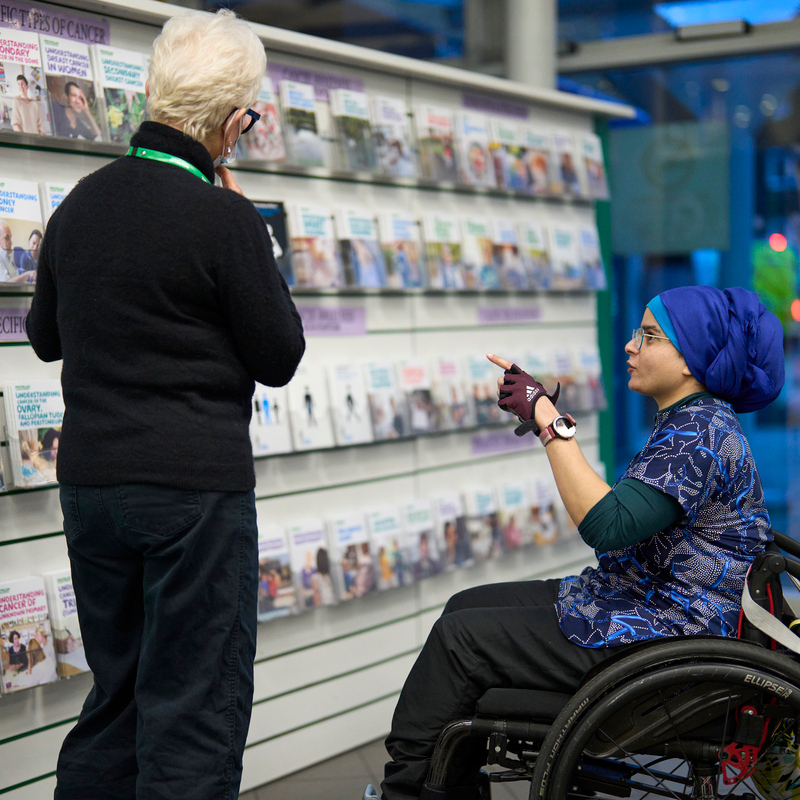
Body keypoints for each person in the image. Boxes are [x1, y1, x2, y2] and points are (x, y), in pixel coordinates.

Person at [26, 10, 305, 800]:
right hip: (193, 491)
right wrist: (256, 242)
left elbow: (47, 338)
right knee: (194, 708)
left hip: (91, 487)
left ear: (150, 96)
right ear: (231, 123)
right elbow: (280, 356)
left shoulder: (79, 203)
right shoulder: (225, 218)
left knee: (114, 697)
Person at [364, 285, 785, 800]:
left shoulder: (697, 433)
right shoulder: (693, 421)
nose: (630, 346)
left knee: (461, 641)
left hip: (674, 629)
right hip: (653, 604)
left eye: (648, 336)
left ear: (689, 361)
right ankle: (445, 781)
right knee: (464, 607)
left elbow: (607, 524)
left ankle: (408, 791)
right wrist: (545, 417)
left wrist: (547, 419)